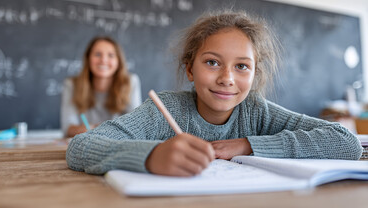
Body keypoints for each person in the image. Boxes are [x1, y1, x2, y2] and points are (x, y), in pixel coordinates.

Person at [66, 11, 362, 176]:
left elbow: (347, 143)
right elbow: (80, 146)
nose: (227, 78)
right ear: (190, 69)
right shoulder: (164, 110)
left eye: (242, 66)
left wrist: (249, 144)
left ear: (254, 75)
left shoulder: (257, 112)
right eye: (212, 62)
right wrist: (150, 156)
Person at [61, 36, 142, 137]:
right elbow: (68, 129)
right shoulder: (71, 85)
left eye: (111, 55)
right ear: (88, 58)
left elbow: (136, 126)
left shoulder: (130, 82)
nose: (103, 60)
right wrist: (108, 129)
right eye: (97, 54)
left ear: (118, 61)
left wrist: (94, 129)